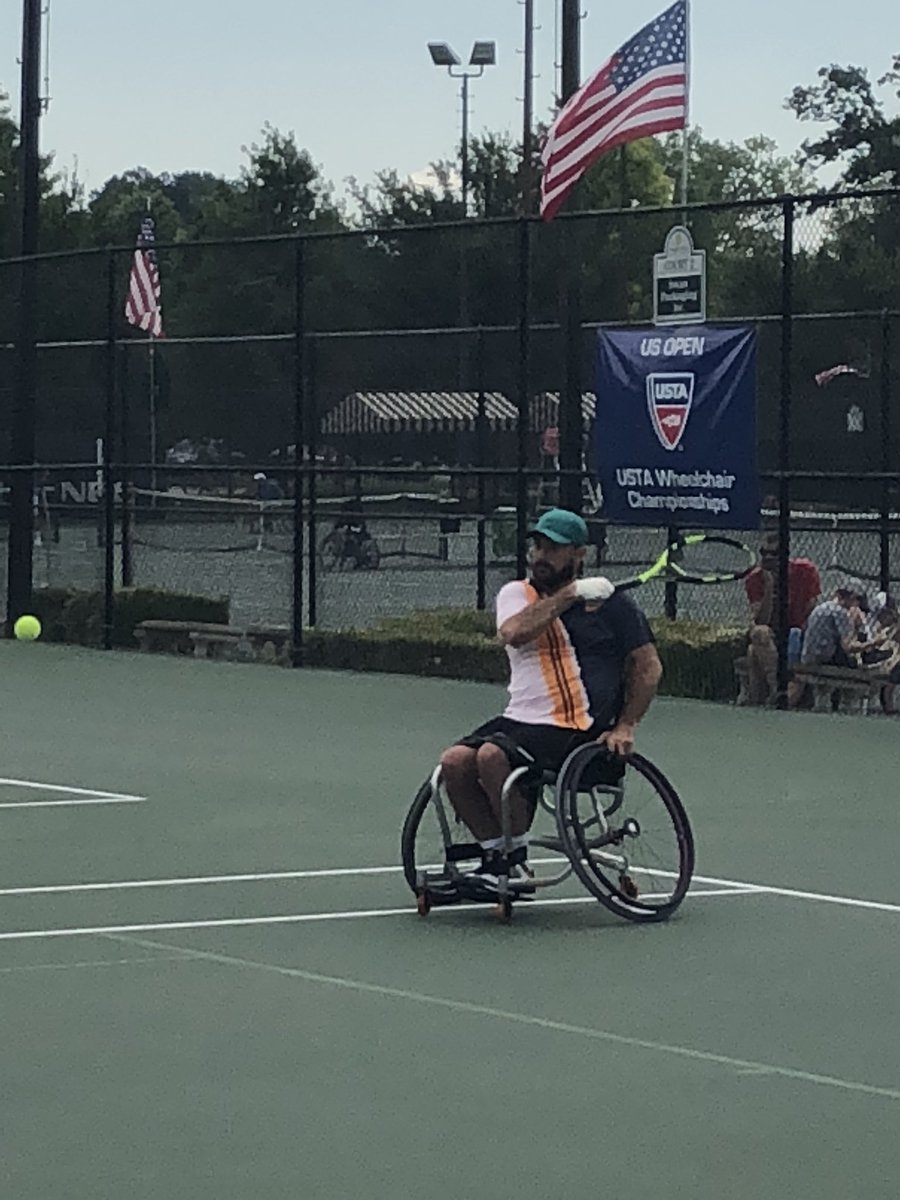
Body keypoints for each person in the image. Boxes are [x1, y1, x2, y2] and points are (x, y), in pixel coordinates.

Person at [438, 507, 662, 897]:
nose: (541, 555)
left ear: (579, 554)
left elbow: (648, 667)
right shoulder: (515, 594)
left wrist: (627, 725)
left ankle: (509, 857)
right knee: (453, 762)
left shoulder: (616, 607)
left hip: (580, 727)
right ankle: (498, 857)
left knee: (492, 757)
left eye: (553, 548)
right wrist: (570, 596)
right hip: (519, 719)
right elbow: (514, 633)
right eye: (538, 545)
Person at [743, 534, 821, 706]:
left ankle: (762, 701)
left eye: (774, 553)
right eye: (764, 553)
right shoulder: (754, 579)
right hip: (771, 637)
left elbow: (811, 610)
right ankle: (779, 688)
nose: (769, 558)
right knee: (759, 634)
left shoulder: (805, 571)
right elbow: (761, 620)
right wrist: (769, 586)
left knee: (753, 653)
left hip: (798, 636)